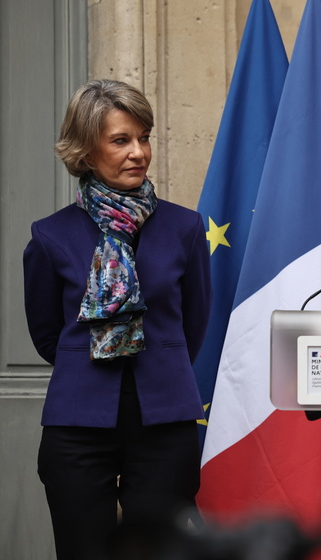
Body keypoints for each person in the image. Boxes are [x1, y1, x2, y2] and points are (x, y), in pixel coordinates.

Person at [22, 79, 212, 560]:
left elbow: (193, 324)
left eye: (144, 137)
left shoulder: (185, 227)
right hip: (78, 423)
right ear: (87, 151)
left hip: (165, 421)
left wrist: (154, 360)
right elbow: (48, 334)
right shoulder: (49, 236)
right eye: (121, 140)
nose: (138, 152)